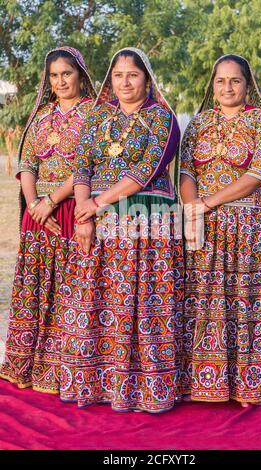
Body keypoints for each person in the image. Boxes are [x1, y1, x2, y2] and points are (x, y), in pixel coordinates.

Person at [58, 47, 184, 412]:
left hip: (146, 221)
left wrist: (97, 204)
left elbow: (148, 168)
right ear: (109, 80)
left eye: (133, 74)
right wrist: (85, 214)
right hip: (97, 221)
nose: (125, 81)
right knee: (98, 299)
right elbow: (82, 164)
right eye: (118, 75)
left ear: (146, 79)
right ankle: (97, 383)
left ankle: (148, 387)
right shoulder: (98, 116)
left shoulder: (162, 118)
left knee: (143, 303)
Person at [180, 54, 261, 407]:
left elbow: (257, 175)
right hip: (206, 227)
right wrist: (191, 209)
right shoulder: (197, 125)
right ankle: (203, 380)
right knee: (206, 301)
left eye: (235, 81)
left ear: (248, 86)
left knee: (246, 301)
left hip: (250, 229)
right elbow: (186, 173)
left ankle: (249, 383)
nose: (227, 87)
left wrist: (207, 203)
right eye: (220, 81)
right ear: (212, 85)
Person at [0, 46, 96, 393]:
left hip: (73, 209)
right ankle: (27, 362)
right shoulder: (41, 115)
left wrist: (52, 201)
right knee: (34, 289)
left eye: (66, 73)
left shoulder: (95, 115)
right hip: (37, 216)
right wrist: (34, 205)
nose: (60, 81)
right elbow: (28, 165)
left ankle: (62, 369)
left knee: (72, 289)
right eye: (54, 75)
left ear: (80, 75)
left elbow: (87, 165)